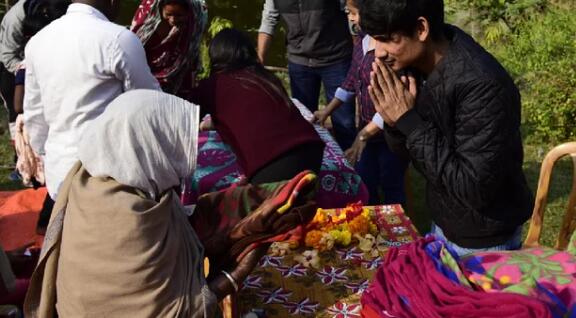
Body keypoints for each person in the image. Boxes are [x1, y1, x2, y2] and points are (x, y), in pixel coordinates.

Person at [23, 90, 274, 318]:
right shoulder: (125, 218)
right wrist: (235, 275)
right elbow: (173, 313)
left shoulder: (92, 182)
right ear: (149, 146)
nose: (186, 160)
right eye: (172, 145)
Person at [360, 0, 533, 255]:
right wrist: (394, 120)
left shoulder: (482, 86)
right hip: (443, 223)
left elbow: (473, 188)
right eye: (375, 40)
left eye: (387, 39)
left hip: (483, 242)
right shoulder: (414, 65)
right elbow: (405, 153)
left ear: (421, 29)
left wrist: (407, 119)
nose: (379, 52)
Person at [23, 0, 160, 200]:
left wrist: (52, 153)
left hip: (60, 174)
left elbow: (35, 116)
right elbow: (150, 105)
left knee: (71, 230)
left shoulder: (38, 42)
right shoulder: (119, 39)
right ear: (113, 2)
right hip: (110, 177)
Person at [191, 28, 325, 184]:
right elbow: (252, 114)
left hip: (272, 163)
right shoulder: (266, 77)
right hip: (313, 151)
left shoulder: (212, 86)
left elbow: (183, 123)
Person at [312, 0, 408, 205]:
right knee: (365, 183)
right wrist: (326, 111)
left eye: (353, 13)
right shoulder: (361, 42)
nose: (350, 17)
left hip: (390, 135)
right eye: (348, 12)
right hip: (366, 130)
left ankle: (400, 231)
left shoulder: (388, 49)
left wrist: (363, 136)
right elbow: (350, 82)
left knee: (392, 185)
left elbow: (394, 99)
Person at [257, 0, 356, 151]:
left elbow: (350, 10)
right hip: (299, 62)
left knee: (344, 123)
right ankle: (311, 168)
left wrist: (359, 54)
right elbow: (269, 20)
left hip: (336, 58)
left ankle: (352, 170)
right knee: (304, 123)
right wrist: (259, 61)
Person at [0, 0, 70, 180]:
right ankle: (22, 163)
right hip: (12, 67)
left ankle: (42, 162)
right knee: (19, 121)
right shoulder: (14, 21)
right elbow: (8, 56)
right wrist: (29, 68)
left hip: (39, 66)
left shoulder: (59, 8)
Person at [131, 0, 207, 98]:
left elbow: (191, 53)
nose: (173, 20)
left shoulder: (194, 20)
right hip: (146, 80)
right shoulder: (147, 19)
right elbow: (133, 53)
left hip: (178, 81)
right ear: (160, 9)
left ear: (188, 12)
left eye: (179, 15)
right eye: (168, 14)